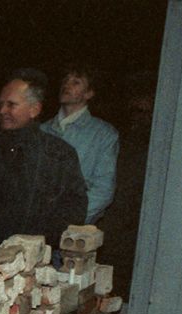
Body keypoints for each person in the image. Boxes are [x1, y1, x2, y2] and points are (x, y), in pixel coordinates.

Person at [0, 68, 87, 259]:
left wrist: (42, 243)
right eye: (0, 104)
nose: (2, 111)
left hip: (34, 263)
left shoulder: (58, 154)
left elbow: (73, 208)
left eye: (11, 105)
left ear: (35, 109)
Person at [41, 65, 119, 224]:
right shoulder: (42, 130)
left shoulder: (103, 134)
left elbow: (103, 189)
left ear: (89, 93)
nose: (66, 85)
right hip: (37, 225)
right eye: (65, 80)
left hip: (75, 233)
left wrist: (70, 218)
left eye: (76, 82)